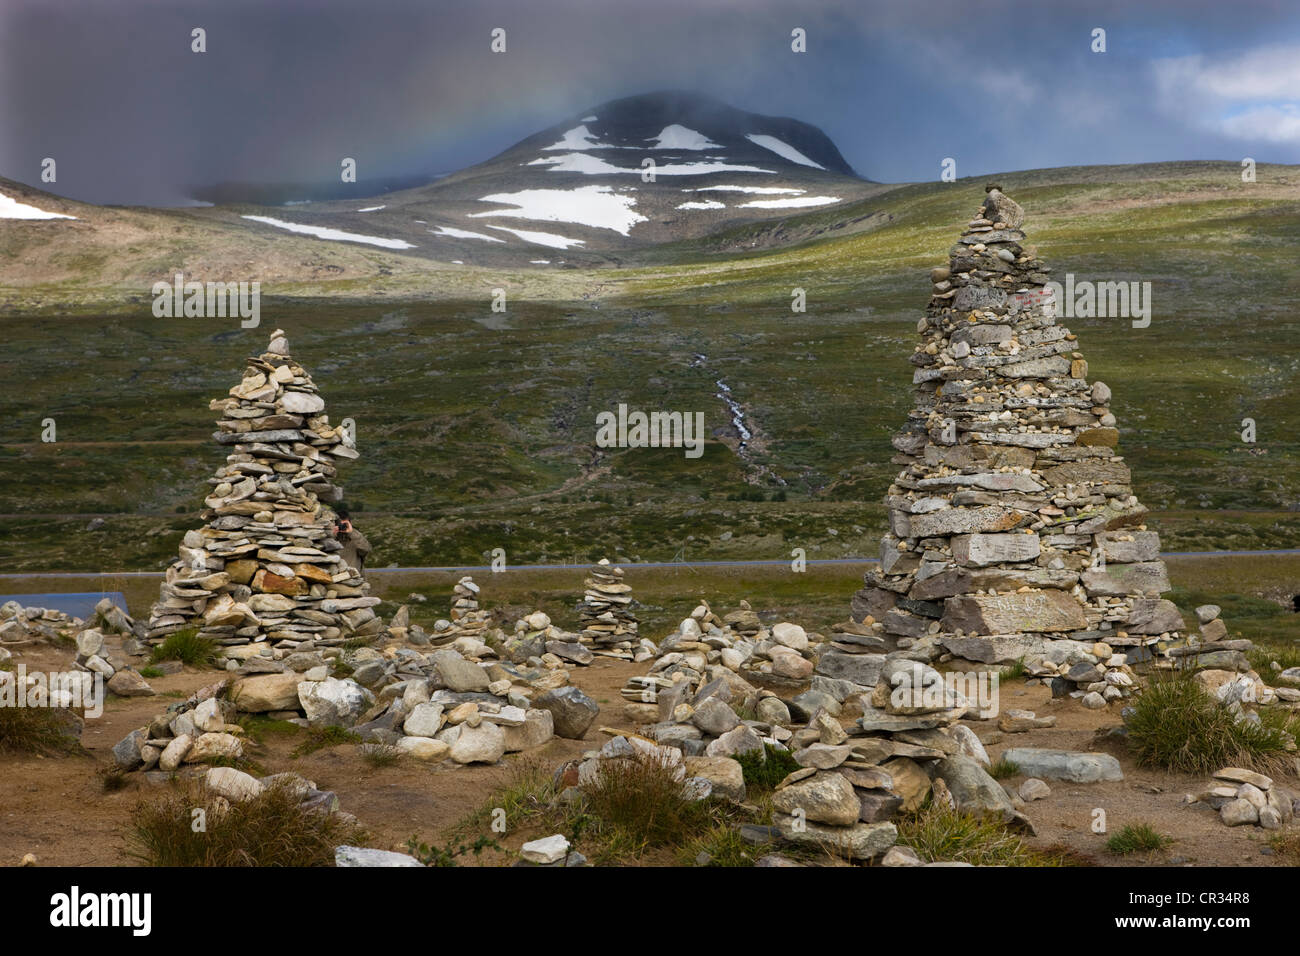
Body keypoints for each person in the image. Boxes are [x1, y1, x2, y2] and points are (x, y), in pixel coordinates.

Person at [333, 505, 371, 575]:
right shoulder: (331, 536)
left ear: (350, 523)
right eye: (340, 524)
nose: (343, 527)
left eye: (345, 524)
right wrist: (332, 535)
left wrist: (352, 533)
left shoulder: (356, 536)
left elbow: (366, 550)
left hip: (354, 578)